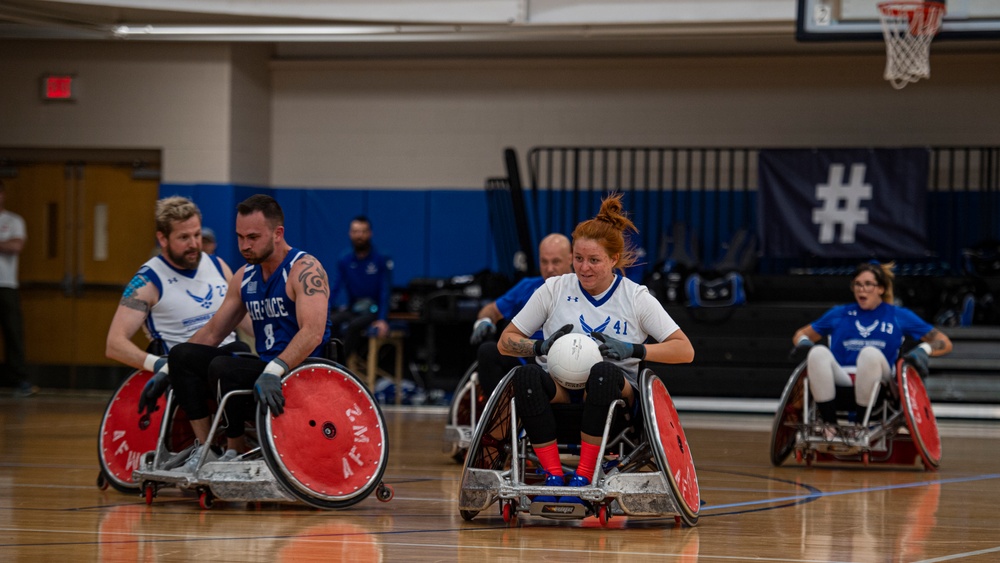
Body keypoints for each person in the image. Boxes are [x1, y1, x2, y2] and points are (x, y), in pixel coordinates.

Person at [497, 193, 695, 503]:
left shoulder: (636, 298)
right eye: (578, 259)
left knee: (603, 372)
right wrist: (539, 345)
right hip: (560, 392)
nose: (584, 268)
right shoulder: (554, 289)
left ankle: (584, 477)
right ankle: (553, 477)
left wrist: (635, 350)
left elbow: (685, 350)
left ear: (614, 259)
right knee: (526, 377)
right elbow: (505, 341)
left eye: (594, 260)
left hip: (614, 397)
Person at [140, 194, 331, 470]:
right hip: (268, 370)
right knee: (183, 355)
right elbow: (213, 332)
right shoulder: (245, 276)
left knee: (225, 364)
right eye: (240, 237)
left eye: (253, 237)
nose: (244, 245)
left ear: (278, 234)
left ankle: (235, 449)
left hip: (303, 371)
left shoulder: (304, 269)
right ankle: (208, 451)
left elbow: (313, 332)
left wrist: (274, 370)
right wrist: (167, 370)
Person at [790, 261, 953, 435]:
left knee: (869, 353)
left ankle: (860, 425)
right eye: (858, 285)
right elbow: (801, 334)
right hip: (842, 379)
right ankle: (830, 424)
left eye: (868, 284)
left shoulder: (898, 315)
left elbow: (943, 341)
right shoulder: (839, 313)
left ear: (880, 289)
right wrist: (805, 344)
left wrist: (923, 350)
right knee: (817, 353)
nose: (862, 289)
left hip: (882, 384)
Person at [106, 197, 248, 376]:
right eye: (184, 237)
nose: (194, 244)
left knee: (244, 355)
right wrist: (158, 365)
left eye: (197, 235)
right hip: (188, 371)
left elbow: (247, 321)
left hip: (230, 361)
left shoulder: (218, 266)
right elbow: (114, 344)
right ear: (163, 239)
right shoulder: (146, 281)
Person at [469, 233, 572, 395]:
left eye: (556, 262)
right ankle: (500, 415)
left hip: (565, 358)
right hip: (528, 354)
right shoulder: (528, 286)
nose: (550, 268)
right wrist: (485, 320)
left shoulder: (580, 288)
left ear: (571, 258)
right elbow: (492, 309)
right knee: (487, 351)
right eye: (544, 262)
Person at [329, 215, 393, 362]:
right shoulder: (344, 259)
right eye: (356, 231)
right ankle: (326, 362)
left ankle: (340, 366)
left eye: (363, 231)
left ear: (370, 233)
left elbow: (385, 290)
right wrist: (324, 313)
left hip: (373, 310)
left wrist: (383, 319)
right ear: (350, 233)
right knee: (331, 322)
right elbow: (335, 288)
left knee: (354, 326)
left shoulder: (380, 258)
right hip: (354, 308)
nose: (360, 235)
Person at [0, 181, 34, 398]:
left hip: (6, 285)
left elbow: (17, 245)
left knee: (13, 332)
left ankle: (19, 379)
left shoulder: (13, 220)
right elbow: (8, 244)